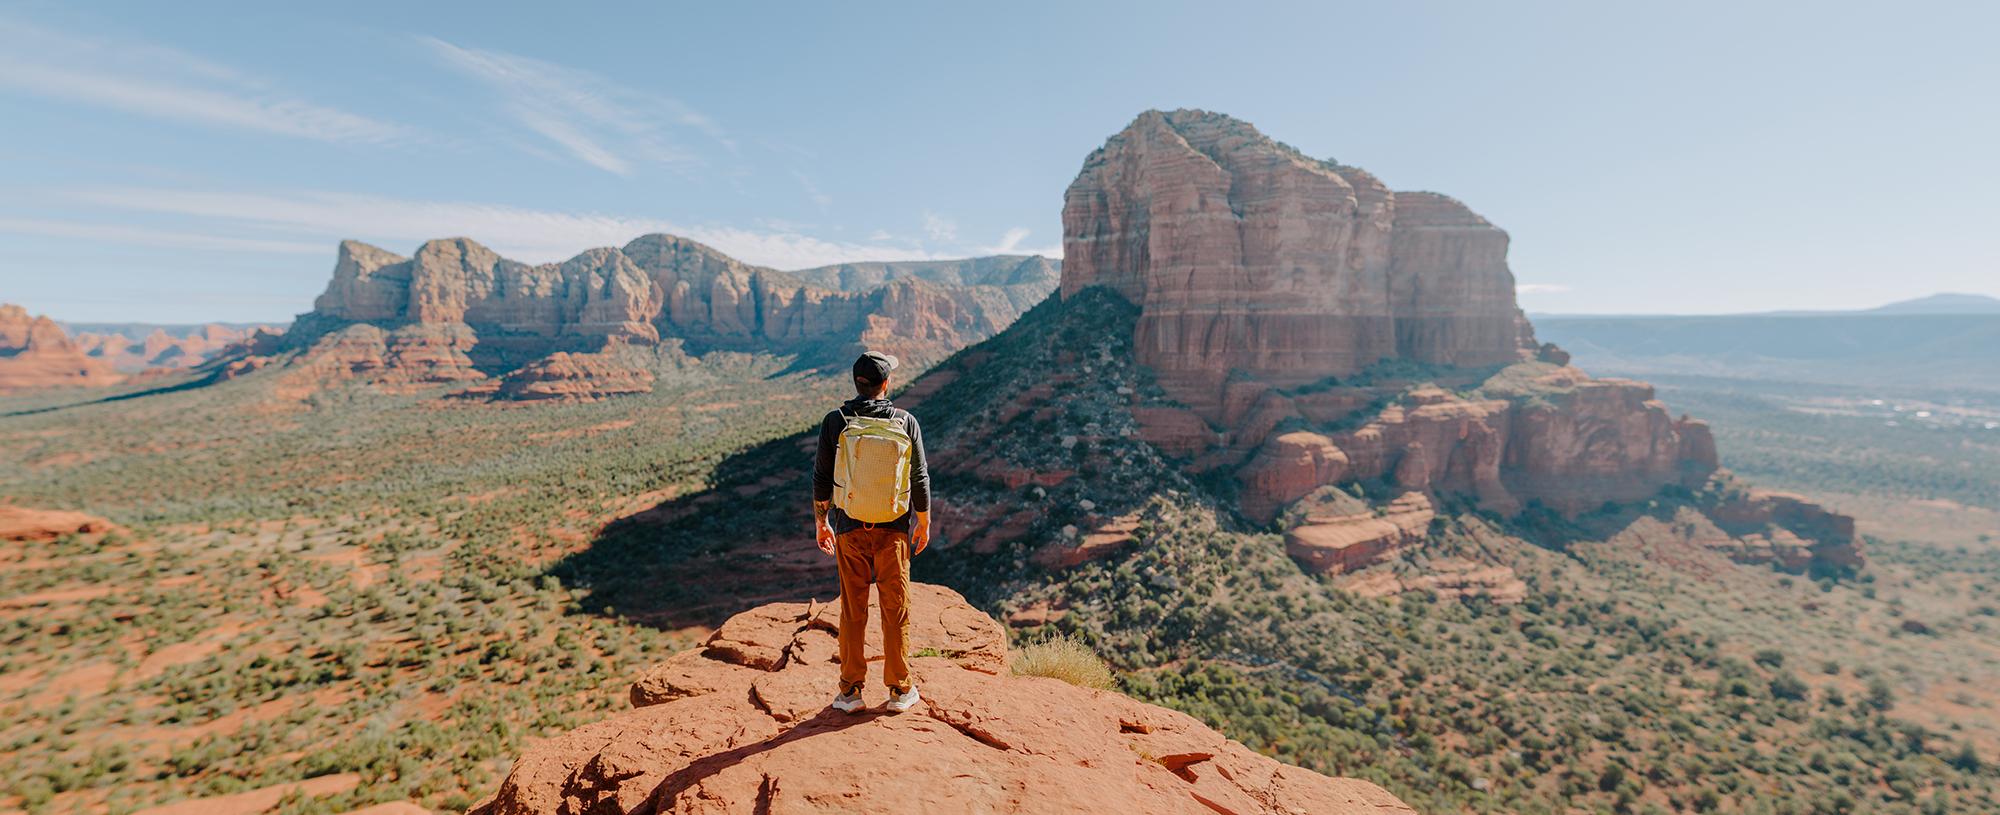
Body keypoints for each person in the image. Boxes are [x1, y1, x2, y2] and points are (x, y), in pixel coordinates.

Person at [813, 351, 931, 714]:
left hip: (849, 529)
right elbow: (920, 476)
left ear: (856, 383)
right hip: (893, 531)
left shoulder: (837, 421)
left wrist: (822, 521)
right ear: (887, 383)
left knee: (853, 610)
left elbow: (821, 477)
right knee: (895, 609)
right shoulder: (906, 421)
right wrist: (923, 522)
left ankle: (850, 692)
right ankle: (899, 690)